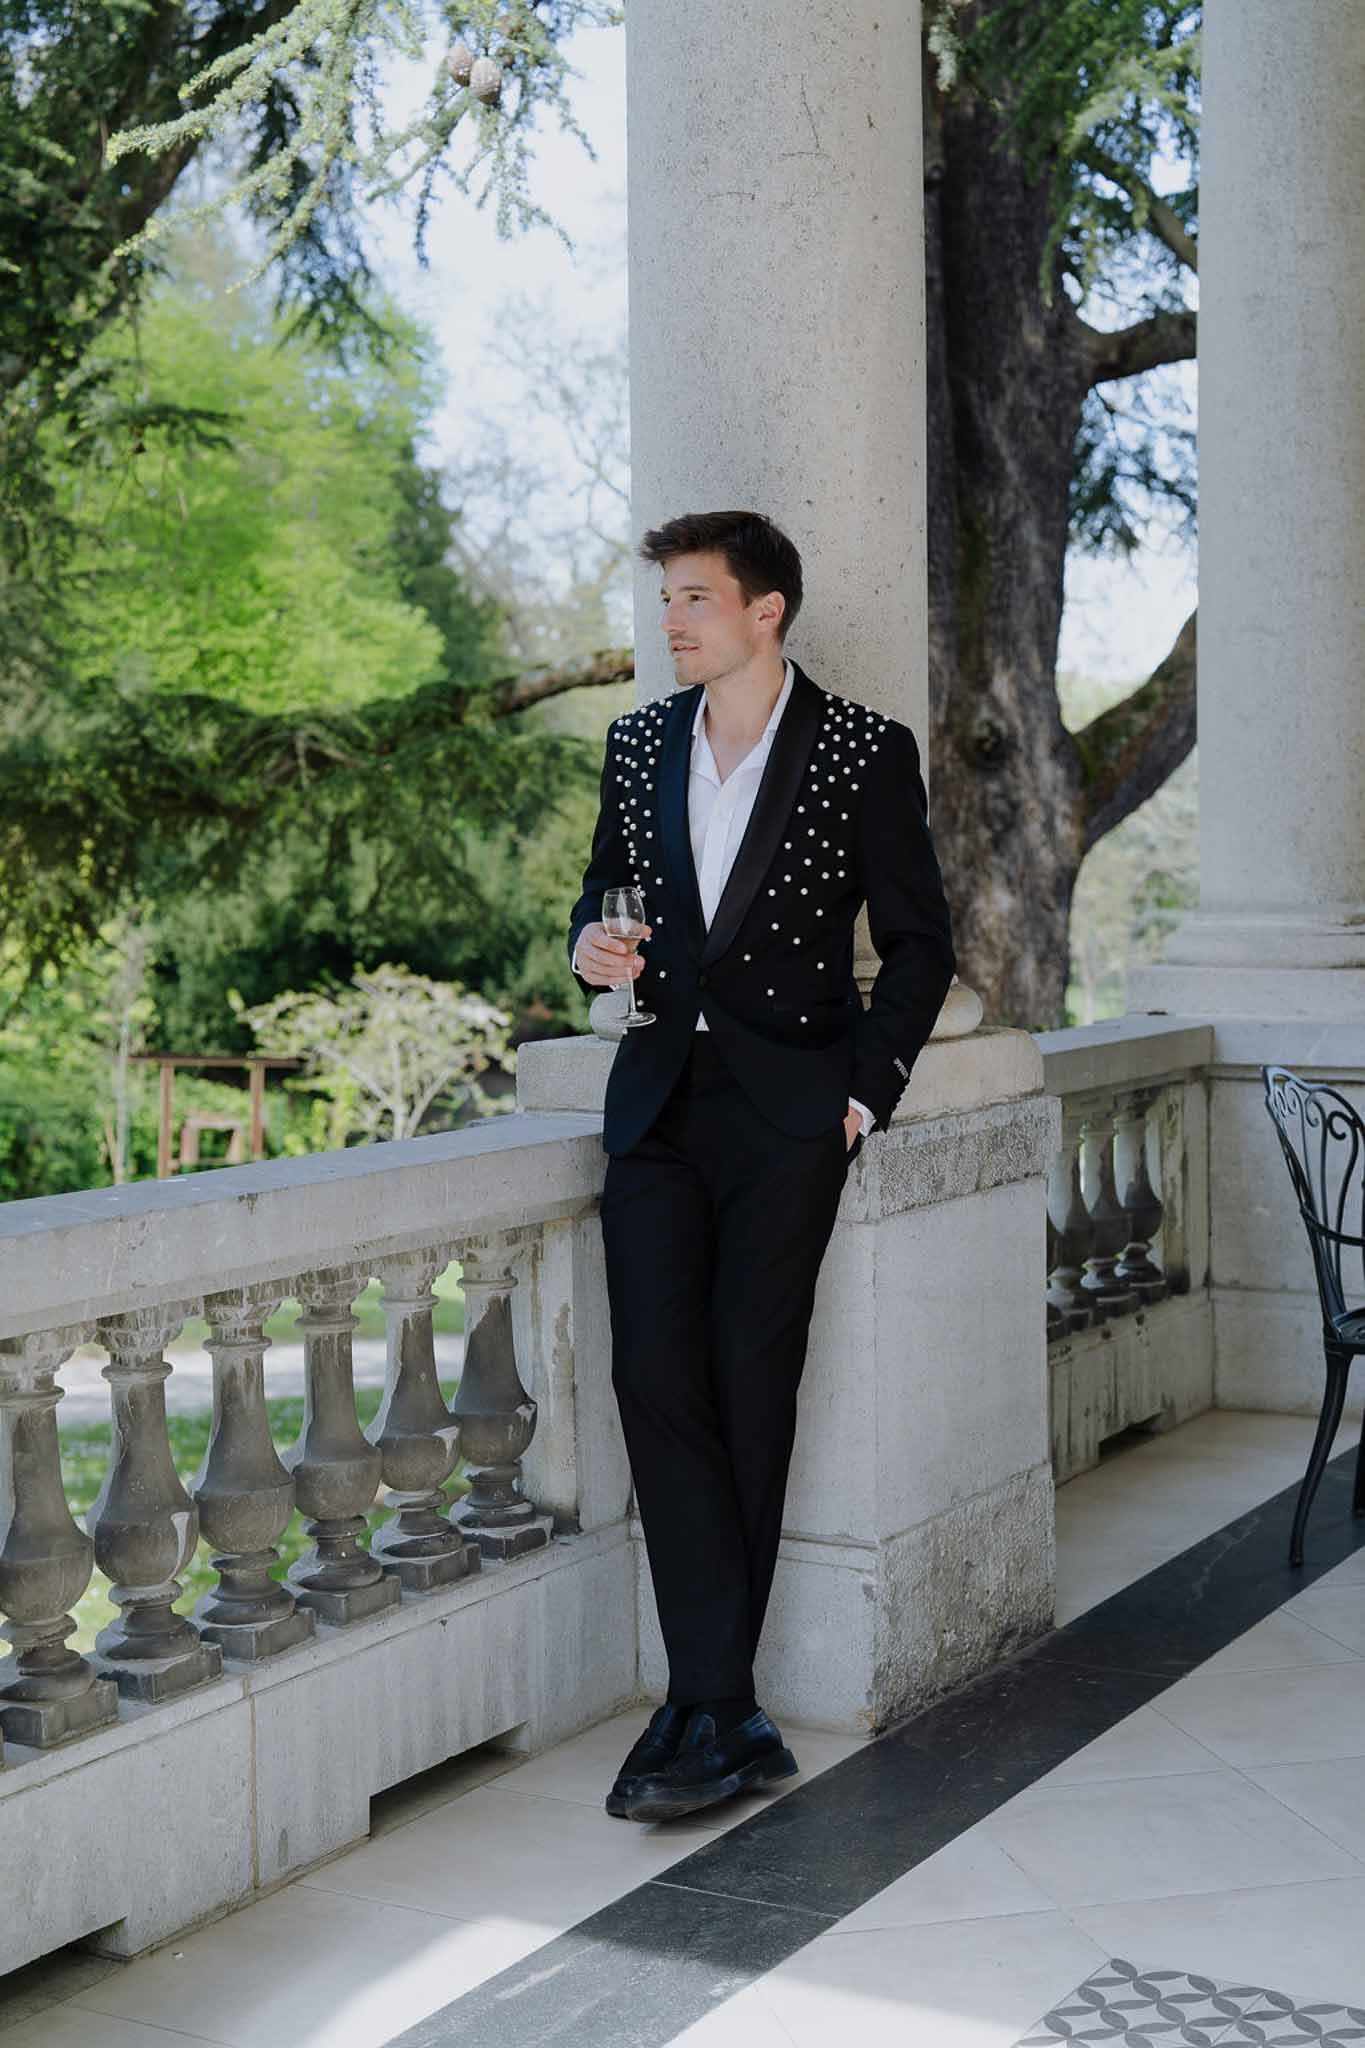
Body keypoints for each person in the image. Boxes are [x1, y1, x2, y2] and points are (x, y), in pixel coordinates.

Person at [567, 509, 956, 1821]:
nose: (669, 621)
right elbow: (599, 896)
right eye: (665, 600)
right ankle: (717, 1699)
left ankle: (707, 1707)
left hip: (791, 1110)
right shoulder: (635, 746)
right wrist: (589, 951)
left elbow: (917, 945)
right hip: (657, 1107)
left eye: (691, 598)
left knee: (748, 1380)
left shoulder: (857, 750)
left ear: (763, 610)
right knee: (651, 1379)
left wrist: (862, 1097)